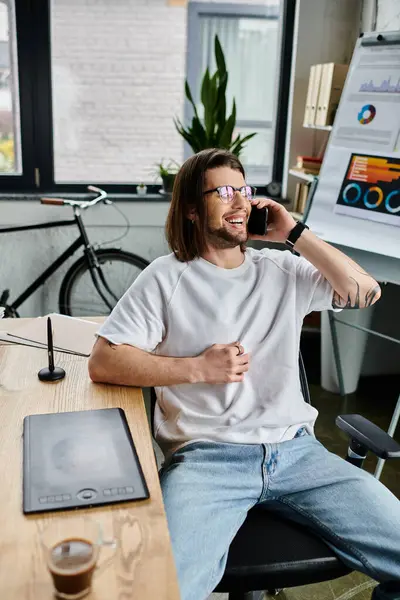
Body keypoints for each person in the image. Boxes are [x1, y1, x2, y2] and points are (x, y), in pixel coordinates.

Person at [89, 149, 399, 600]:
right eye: (224, 191)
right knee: (164, 589)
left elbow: (364, 291)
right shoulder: (166, 277)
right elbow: (104, 361)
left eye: (245, 190)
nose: (240, 202)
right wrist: (198, 368)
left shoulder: (282, 269)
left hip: (298, 455)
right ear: (193, 209)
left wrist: (293, 233)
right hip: (206, 460)